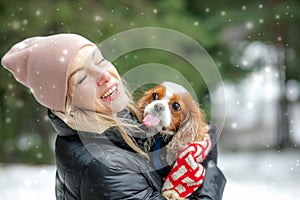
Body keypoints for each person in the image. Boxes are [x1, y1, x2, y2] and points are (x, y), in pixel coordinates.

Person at [2, 33, 226, 200]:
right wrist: (211, 174)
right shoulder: (101, 165)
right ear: (66, 103)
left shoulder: (122, 123)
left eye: (99, 61)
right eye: (82, 79)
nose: (104, 76)